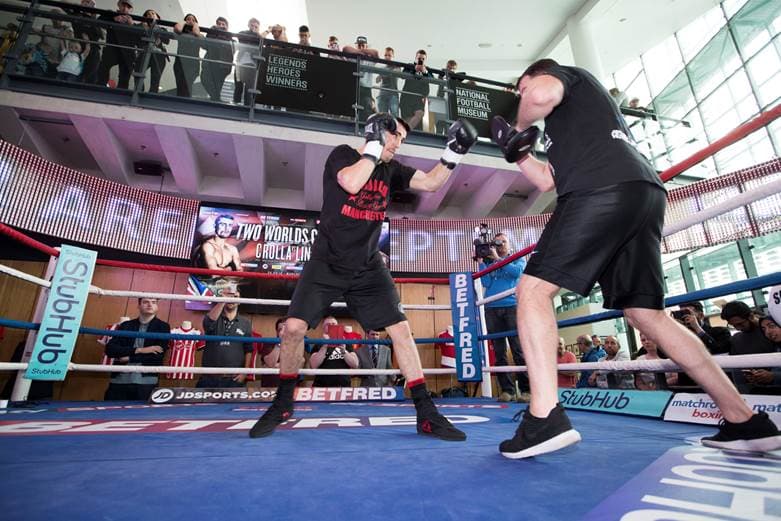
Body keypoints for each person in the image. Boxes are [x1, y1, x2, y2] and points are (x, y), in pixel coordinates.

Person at [490, 58, 781, 458]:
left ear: (534, 76)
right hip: (642, 193)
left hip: (602, 189)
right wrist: (518, 152)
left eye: (520, 87)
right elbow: (546, 180)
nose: (523, 94)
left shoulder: (560, 76)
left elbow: (540, 95)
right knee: (648, 315)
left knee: (533, 291)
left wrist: (520, 123)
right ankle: (745, 420)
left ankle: (544, 418)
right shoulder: (577, 123)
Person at [249, 112, 479, 440]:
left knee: (401, 331)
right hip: (327, 262)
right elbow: (351, 182)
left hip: (367, 266)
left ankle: (426, 413)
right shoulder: (342, 155)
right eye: (395, 135)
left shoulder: (391, 170)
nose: (398, 144)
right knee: (294, 328)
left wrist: (454, 152)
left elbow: (430, 182)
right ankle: (283, 403)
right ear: (377, 131)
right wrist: (373, 145)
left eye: (402, 139)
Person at [478, 232, 529, 402]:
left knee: (518, 349)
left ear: (509, 244)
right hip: (492, 307)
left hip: (512, 306)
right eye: (497, 242)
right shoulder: (490, 262)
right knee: (499, 352)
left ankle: (526, 390)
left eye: (503, 242)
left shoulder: (518, 257)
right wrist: (482, 263)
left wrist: (498, 259)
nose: (500, 245)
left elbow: (516, 273)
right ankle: (508, 390)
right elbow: (485, 282)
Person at [104, 298, 170, 400]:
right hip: (119, 379)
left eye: (153, 302)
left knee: (142, 410)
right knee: (110, 409)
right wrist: (139, 350)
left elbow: (158, 355)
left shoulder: (163, 327)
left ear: (157, 306)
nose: (150, 305)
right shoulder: (126, 325)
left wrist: (130, 358)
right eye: (145, 302)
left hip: (147, 380)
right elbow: (110, 349)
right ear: (138, 306)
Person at [199, 287, 253, 388]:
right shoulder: (214, 316)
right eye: (230, 296)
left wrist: (245, 372)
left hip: (234, 378)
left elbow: (248, 349)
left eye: (235, 296)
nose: (232, 299)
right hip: (209, 377)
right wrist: (223, 300)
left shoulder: (246, 323)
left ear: (240, 301)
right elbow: (208, 323)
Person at [96, 0, 137, 89]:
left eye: (128, 7)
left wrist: (132, 25)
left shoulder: (132, 21)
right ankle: (100, 89)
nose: (125, 8)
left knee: (124, 78)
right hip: (112, 48)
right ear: (119, 5)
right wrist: (114, 19)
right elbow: (99, 21)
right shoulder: (111, 14)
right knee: (103, 69)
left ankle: (121, 94)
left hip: (127, 51)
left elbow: (138, 37)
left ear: (131, 10)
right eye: (123, 5)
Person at [309, 318, 359, 387]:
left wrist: (344, 351)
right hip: (322, 386)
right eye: (328, 324)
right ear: (323, 328)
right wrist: (324, 346)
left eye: (333, 324)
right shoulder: (318, 344)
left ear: (337, 326)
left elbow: (355, 364)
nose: (331, 326)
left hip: (343, 386)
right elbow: (313, 365)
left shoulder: (346, 343)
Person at [200, 17, 233, 102]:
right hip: (210, 62)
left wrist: (219, 32)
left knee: (218, 84)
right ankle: (216, 98)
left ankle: (215, 99)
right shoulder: (212, 33)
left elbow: (230, 48)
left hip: (222, 66)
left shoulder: (229, 37)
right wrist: (213, 30)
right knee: (204, 78)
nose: (221, 26)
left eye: (223, 24)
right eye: (219, 24)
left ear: (227, 27)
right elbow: (205, 45)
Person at [173, 14, 202, 98]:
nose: (190, 21)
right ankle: (180, 101)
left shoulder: (199, 35)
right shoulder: (181, 33)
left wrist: (195, 24)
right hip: (180, 63)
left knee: (188, 84)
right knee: (180, 84)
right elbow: (178, 29)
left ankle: (186, 101)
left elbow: (196, 33)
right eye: (188, 19)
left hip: (192, 64)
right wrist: (184, 22)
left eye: (193, 20)